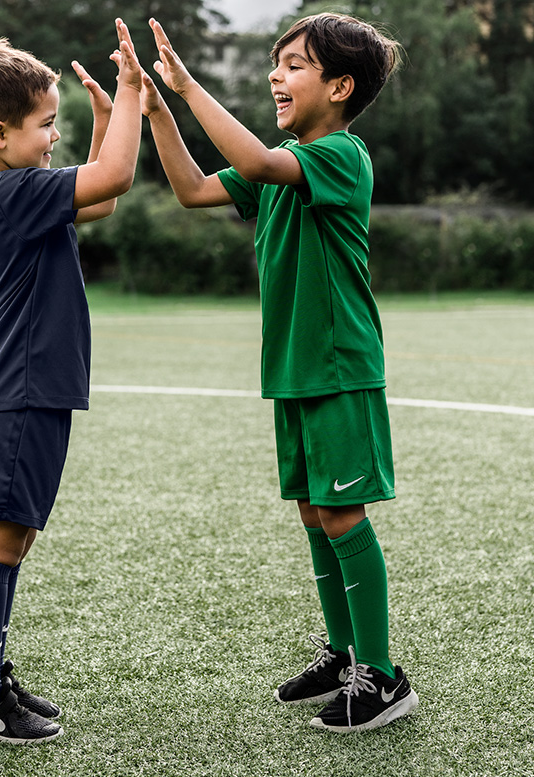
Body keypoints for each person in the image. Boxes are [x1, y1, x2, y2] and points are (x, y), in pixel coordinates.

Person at [141, 13, 418, 732]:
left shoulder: (338, 155)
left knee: (341, 513)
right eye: (277, 63)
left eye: (294, 65)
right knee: (312, 513)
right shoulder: (281, 166)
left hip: (338, 367)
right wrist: (160, 111)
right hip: (294, 370)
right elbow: (193, 189)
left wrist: (188, 84)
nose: (276, 75)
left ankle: (382, 677)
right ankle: (344, 651)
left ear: (340, 86)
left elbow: (261, 162)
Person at [0, 20, 142, 744]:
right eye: (47, 124)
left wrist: (111, 120)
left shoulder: (24, 190)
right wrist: (130, 94)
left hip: (31, 390)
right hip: (17, 391)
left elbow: (105, 197)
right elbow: (115, 176)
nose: (54, 136)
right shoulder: (12, 196)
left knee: (13, 538)